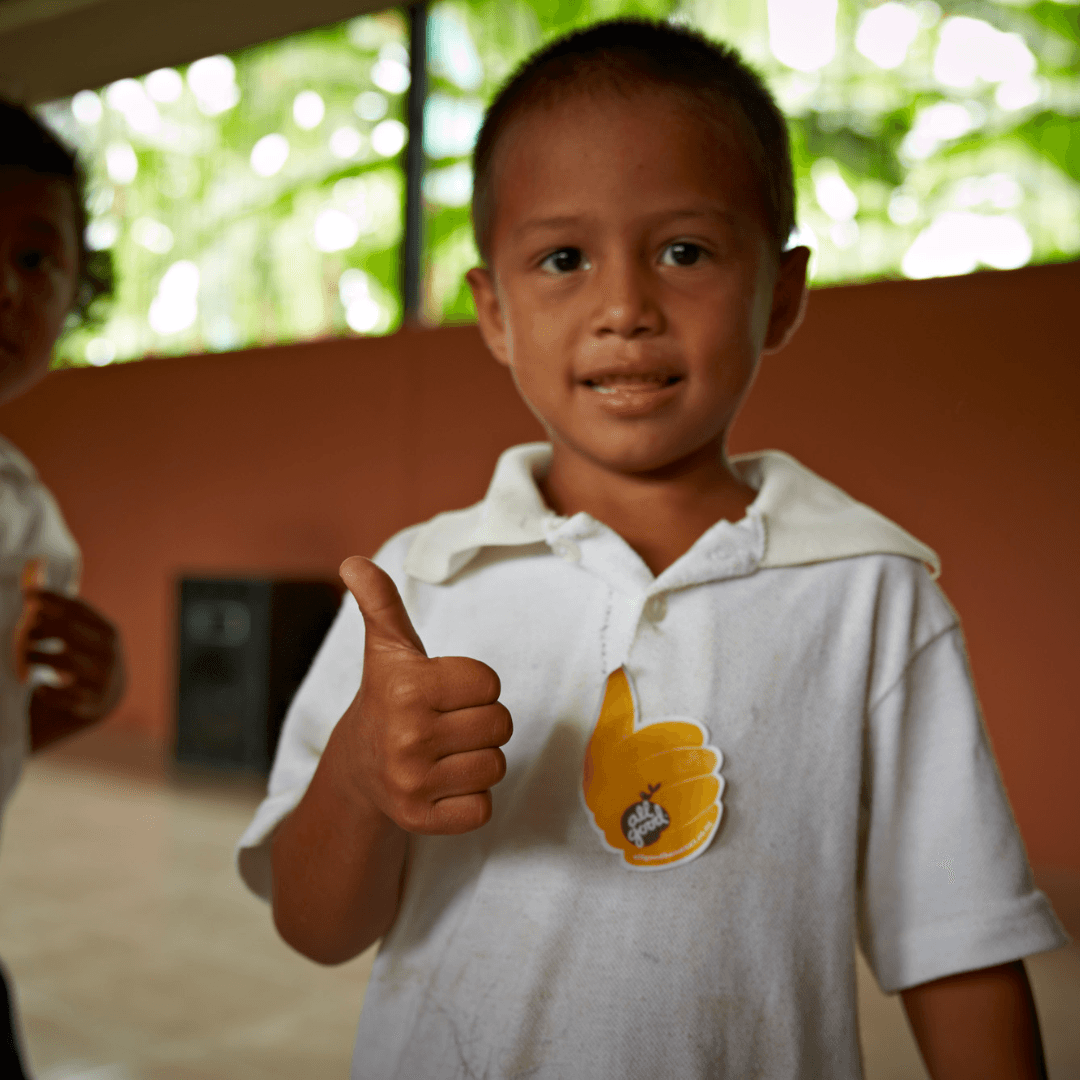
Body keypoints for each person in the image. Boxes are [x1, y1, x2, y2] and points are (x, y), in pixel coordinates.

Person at [237, 20, 1066, 1078]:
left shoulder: (868, 592)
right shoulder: (420, 584)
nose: (624, 308)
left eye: (685, 251)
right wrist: (358, 779)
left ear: (785, 291)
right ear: (493, 311)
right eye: (563, 258)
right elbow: (316, 929)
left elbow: (960, 941)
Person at [0, 99, 126, 1078]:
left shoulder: (29, 519)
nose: (6, 287)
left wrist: (91, 695)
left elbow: (18, 721)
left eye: (37, 260)